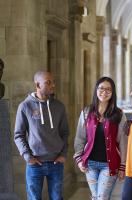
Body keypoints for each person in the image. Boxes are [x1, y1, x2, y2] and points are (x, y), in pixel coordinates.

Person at [14, 70, 69, 200]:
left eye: (53, 82)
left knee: (57, 197)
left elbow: (65, 132)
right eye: (48, 82)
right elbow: (18, 135)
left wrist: (63, 154)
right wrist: (27, 156)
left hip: (56, 163)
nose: (53, 85)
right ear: (38, 85)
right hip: (35, 164)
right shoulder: (25, 106)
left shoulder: (59, 107)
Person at [74, 77, 127, 200]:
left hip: (109, 165)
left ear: (113, 93)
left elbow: (123, 142)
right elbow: (80, 138)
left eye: (108, 90)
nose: (104, 92)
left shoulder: (119, 114)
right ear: (96, 90)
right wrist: (79, 159)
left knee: (102, 197)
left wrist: (123, 165)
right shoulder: (86, 112)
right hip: (90, 164)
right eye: (101, 88)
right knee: (95, 197)